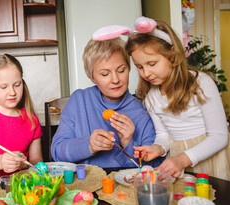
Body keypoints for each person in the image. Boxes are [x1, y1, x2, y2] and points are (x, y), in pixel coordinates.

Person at [126, 17, 230, 180]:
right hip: (177, 160)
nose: (146, 73)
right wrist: (158, 148)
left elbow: (219, 136)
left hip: (210, 159)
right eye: (140, 67)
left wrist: (182, 159)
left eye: (152, 64)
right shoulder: (151, 97)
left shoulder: (200, 84)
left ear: (172, 55)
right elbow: (163, 134)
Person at [51, 25, 163, 168]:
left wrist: (128, 143)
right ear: (92, 77)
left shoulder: (143, 111)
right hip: (85, 185)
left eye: (121, 70)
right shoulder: (79, 101)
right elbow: (56, 152)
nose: (115, 79)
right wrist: (89, 145)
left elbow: (152, 166)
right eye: (105, 74)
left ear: (129, 68)